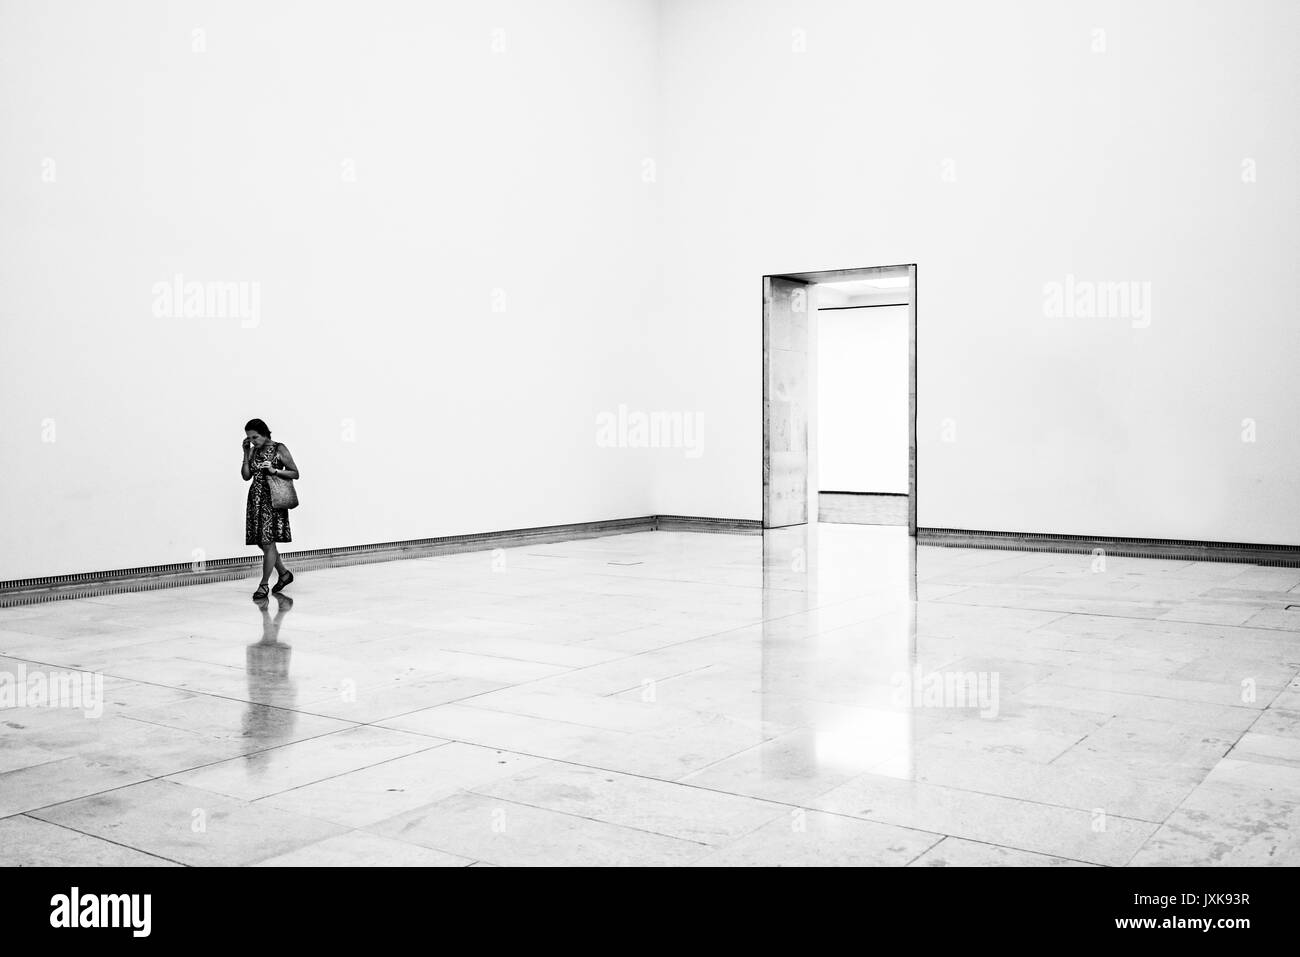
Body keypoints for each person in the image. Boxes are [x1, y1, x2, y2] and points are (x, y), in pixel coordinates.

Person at [241, 418, 300, 599]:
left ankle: (264, 584)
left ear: (265, 433)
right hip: (255, 500)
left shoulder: (279, 448)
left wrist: (275, 470)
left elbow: (295, 473)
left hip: (272, 500)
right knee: (262, 542)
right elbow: (245, 476)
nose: (253, 441)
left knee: (267, 542)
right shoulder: (252, 451)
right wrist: (245, 453)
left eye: (255, 437)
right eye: (249, 438)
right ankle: (284, 573)